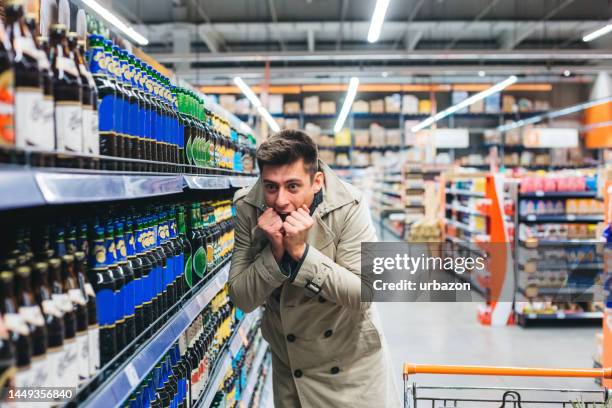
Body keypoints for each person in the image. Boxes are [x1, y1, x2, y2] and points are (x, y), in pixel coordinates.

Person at [229, 129, 400, 407]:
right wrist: (274, 254)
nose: (281, 200)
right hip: (291, 370)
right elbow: (242, 297)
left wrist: (301, 254)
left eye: (293, 186)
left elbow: (367, 292)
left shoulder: (350, 205)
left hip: (351, 370)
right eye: (271, 187)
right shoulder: (248, 207)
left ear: (317, 181)